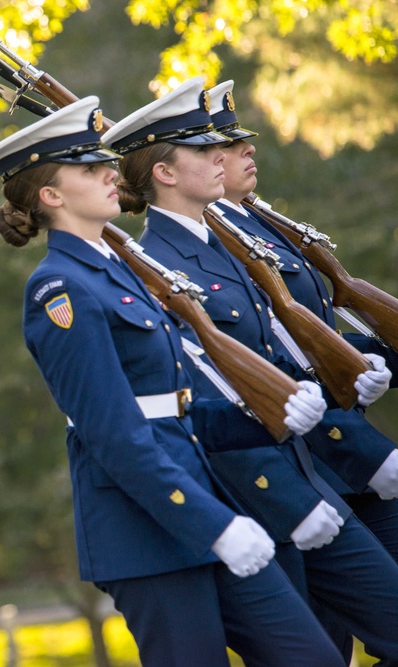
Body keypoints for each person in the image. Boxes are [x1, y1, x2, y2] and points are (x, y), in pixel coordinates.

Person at [0, 94, 346, 666]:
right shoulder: (59, 289)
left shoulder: (118, 268)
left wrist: (264, 421)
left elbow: (176, 407)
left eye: (104, 163)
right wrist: (214, 525)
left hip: (198, 494)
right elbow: (113, 433)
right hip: (146, 529)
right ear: (51, 195)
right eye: (88, 168)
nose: (108, 173)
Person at [104, 76, 398, 664]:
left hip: (319, 468)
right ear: (164, 172)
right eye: (203, 149)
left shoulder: (227, 245)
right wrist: (294, 493)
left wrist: (361, 366)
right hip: (270, 490)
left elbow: (288, 352)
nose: (225, 157)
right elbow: (208, 397)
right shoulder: (159, 265)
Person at [206, 79, 398, 561]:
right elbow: (273, 354)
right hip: (321, 461)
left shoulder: (255, 221)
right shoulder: (216, 244)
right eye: (229, 145)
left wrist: (370, 358)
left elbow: (318, 331)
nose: (248, 148)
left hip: (346, 450)